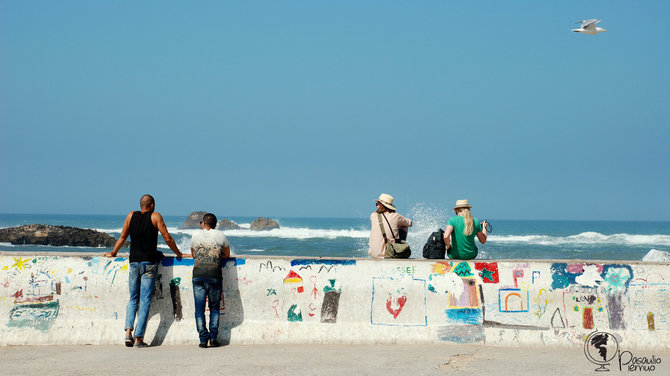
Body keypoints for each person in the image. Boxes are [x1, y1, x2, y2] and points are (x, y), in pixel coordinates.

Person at [104, 194, 183, 348]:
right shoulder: (155, 217)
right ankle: (139, 338)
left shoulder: (130, 216)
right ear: (152, 205)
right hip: (149, 263)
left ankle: (128, 332)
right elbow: (167, 238)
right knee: (145, 300)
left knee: (133, 298)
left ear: (141, 204)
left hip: (133, 262)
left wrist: (113, 253)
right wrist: (179, 253)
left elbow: (122, 237)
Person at [189, 212, 230, 348]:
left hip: (198, 276)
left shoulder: (195, 235)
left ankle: (202, 339)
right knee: (214, 309)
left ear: (203, 223)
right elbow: (227, 254)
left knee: (199, 310)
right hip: (214, 276)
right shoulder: (221, 235)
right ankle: (213, 338)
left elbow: (193, 254)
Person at [368, 193, 412, 259]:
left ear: (382, 205)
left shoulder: (373, 215)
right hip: (389, 253)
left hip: (374, 253)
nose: (376, 205)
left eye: (377, 203)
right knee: (404, 226)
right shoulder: (396, 216)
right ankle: (399, 248)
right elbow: (410, 223)